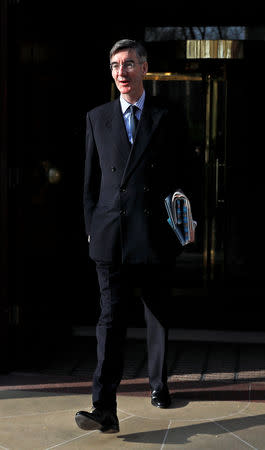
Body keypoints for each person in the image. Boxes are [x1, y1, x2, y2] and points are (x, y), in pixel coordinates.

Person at [75, 39, 190, 434]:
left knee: (157, 313)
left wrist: (184, 221)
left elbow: (186, 173)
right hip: (110, 236)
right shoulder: (97, 117)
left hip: (154, 234)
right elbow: (90, 185)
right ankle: (103, 405)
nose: (121, 72)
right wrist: (93, 230)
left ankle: (159, 385)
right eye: (114, 66)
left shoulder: (166, 115)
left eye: (128, 64)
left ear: (144, 68)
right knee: (110, 321)